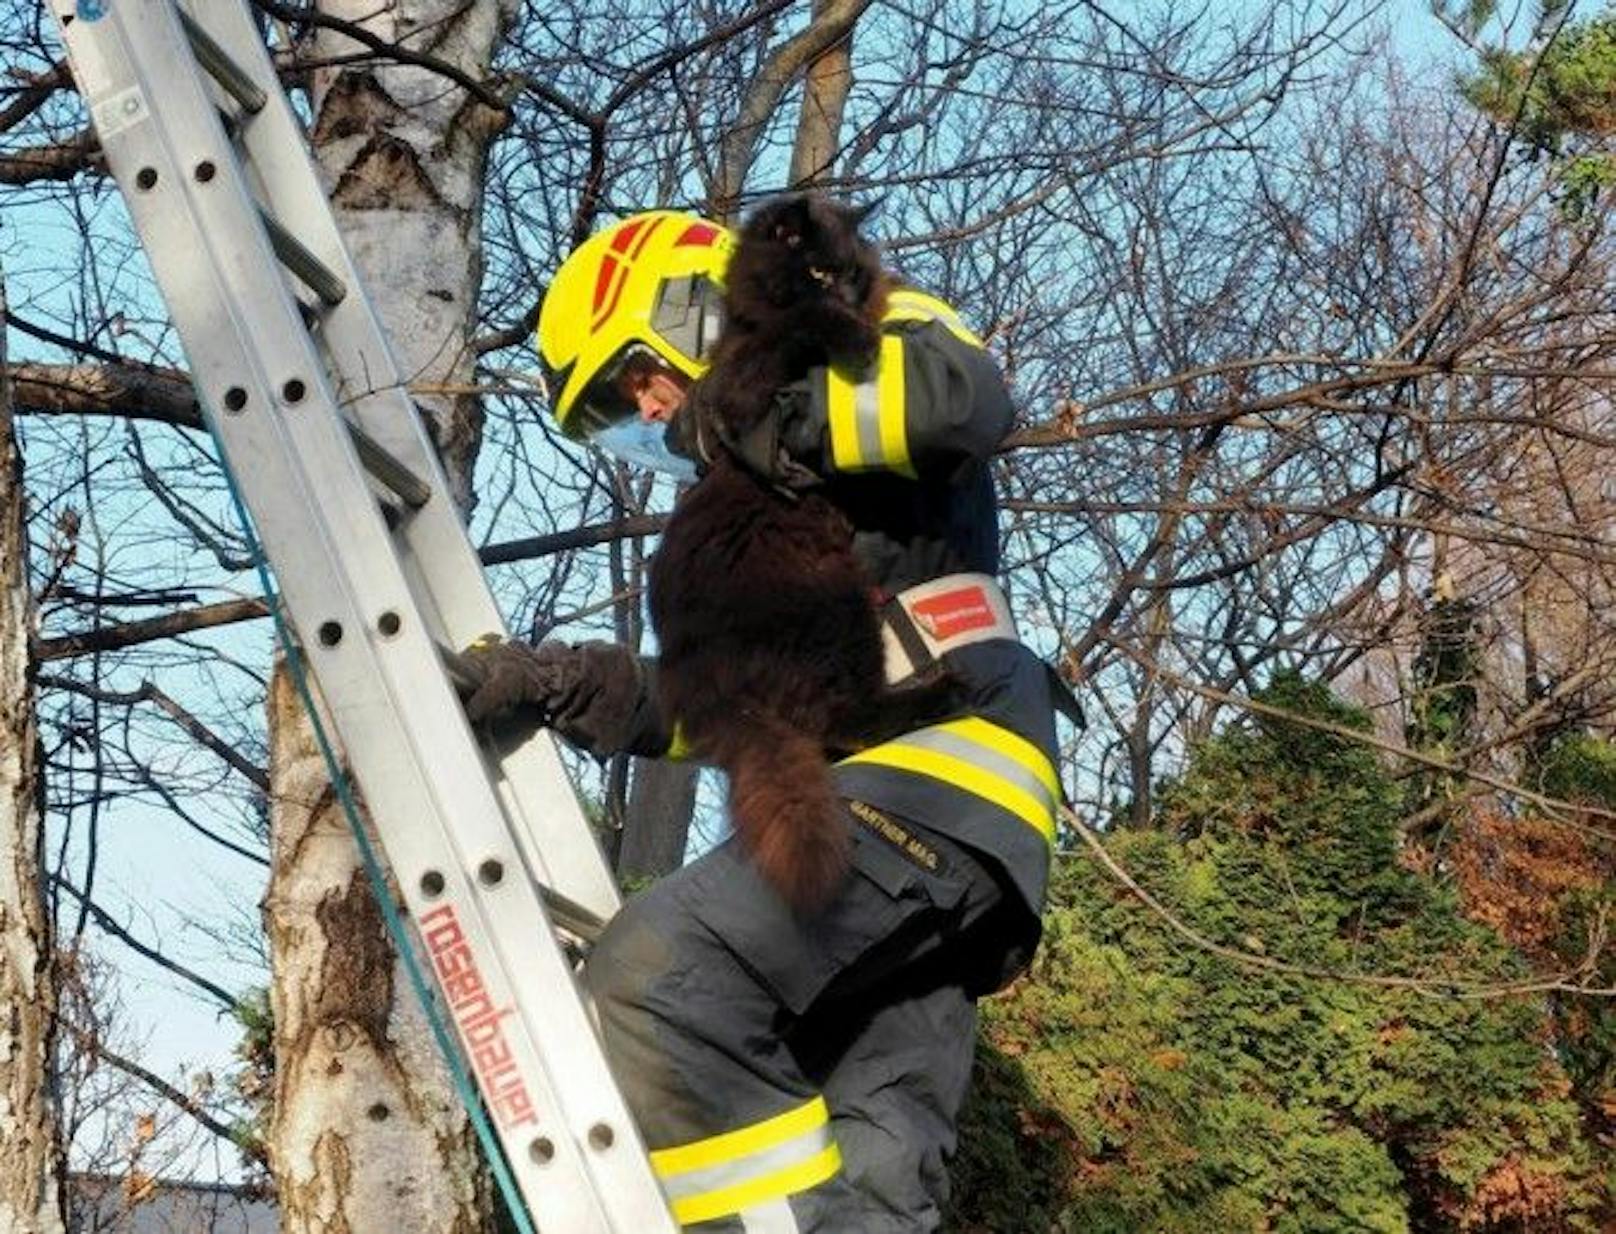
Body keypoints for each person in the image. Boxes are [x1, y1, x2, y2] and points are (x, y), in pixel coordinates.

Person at [458, 206, 1064, 1233]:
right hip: (913, 826)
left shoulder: (865, 330)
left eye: (638, 377)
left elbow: (967, 402)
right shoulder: (772, 512)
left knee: (657, 973)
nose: (651, 413)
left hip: (940, 768)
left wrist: (767, 413)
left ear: (690, 310)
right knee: (870, 1170)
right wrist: (566, 684)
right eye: (621, 411)